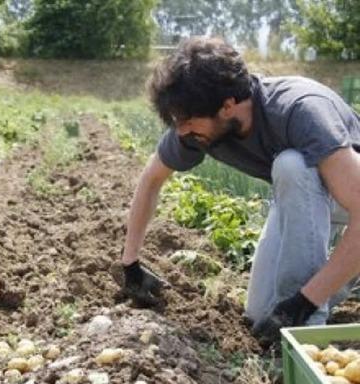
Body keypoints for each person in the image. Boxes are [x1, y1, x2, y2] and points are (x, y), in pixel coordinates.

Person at [121, 37, 360, 343]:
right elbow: (151, 179)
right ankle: (314, 295)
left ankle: (304, 333)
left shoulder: (299, 110)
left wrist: (303, 303)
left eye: (189, 121)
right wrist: (130, 263)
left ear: (228, 105)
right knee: (262, 314)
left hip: (348, 189)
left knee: (291, 165)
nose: (181, 131)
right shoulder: (195, 130)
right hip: (302, 196)